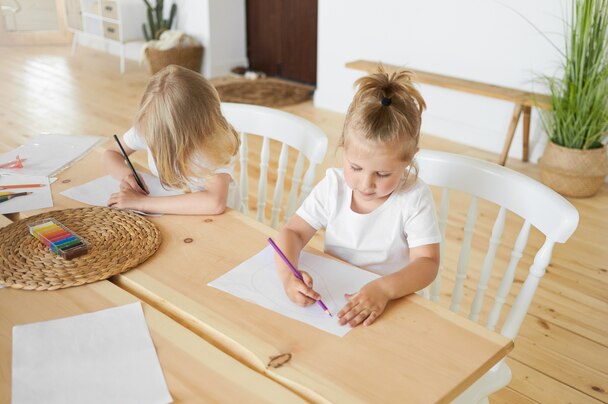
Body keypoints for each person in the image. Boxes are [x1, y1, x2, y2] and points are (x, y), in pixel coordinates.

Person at [273, 68, 441, 327]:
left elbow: (427, 263)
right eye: (355, 168)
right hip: (335, 297)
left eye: (383, 174)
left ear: (409, 160)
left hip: (392, 300)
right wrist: (288, 278)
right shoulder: (333, 186)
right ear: (344, 148)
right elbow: (293, 232)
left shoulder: (414, 197)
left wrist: (384, 289)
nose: (366, 184)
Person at [102, 65, 240, 215]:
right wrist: (126, 175)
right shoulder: (151, 127)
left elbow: (215, 203)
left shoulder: (214, 146)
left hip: (224, 223)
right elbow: (111, 153)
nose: (151, 138)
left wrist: (141, 203)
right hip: (174, 213)